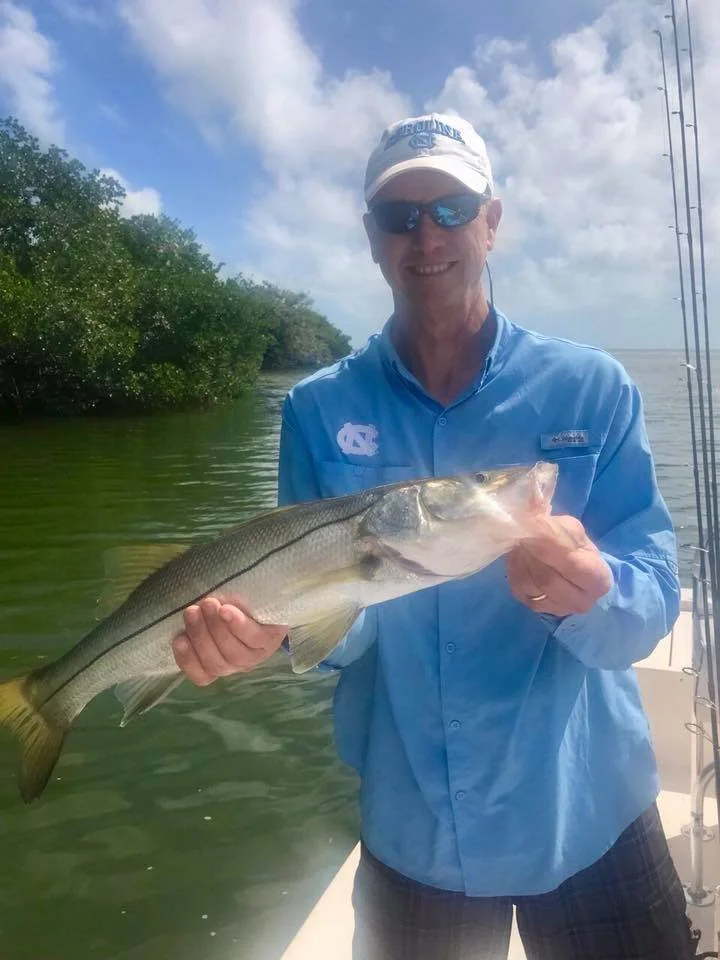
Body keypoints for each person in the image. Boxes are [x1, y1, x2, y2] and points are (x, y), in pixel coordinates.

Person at [171, 113, 694, 959]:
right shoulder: (317, 408)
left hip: (588, 807)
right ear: (373, 239)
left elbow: (651, 594)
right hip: (416, 825)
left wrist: (598, 594)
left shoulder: (592, 387)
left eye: (450, 208)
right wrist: (259, 637)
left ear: (492, 221)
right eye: (398, 215)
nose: (426, 236)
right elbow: (335, 626)